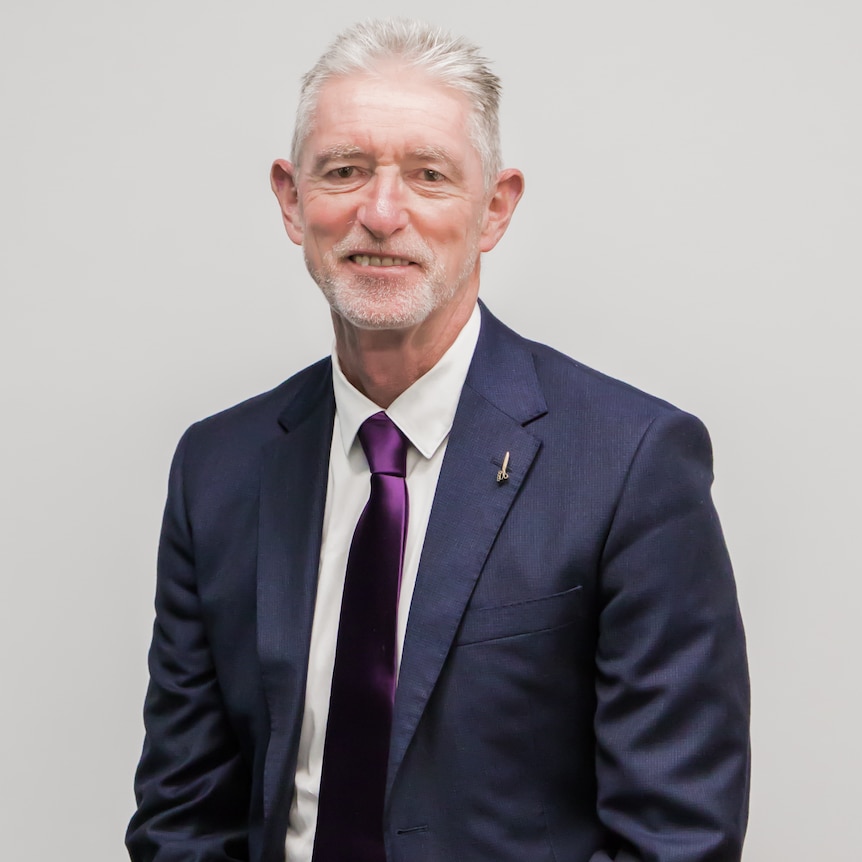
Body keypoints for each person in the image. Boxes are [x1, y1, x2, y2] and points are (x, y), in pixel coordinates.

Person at [126, 18, 750, 862]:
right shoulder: (219, 468)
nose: (381, 213)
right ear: (291, 198)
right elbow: (183, 816)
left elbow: (676, 836)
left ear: (495, 208)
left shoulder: (632, 464)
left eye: (429, 175)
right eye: (345, 171)